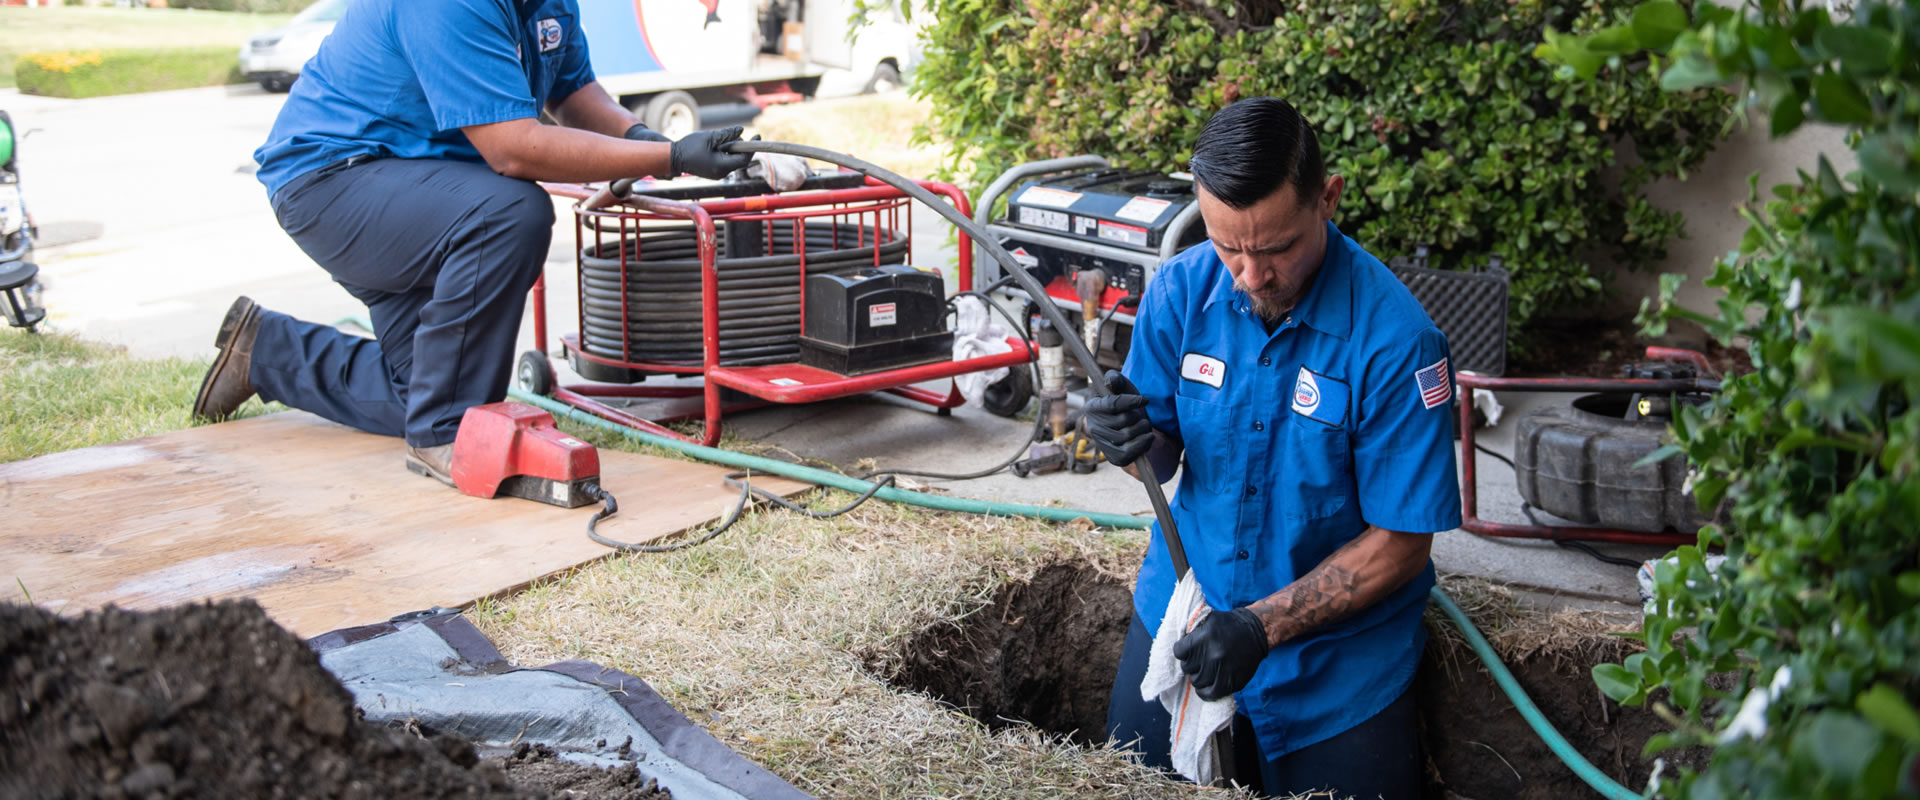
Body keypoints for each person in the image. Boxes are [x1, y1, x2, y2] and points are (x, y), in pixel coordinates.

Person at [192, 0, 753, 485]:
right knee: (512, 212)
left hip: (422, 186)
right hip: (333, 181)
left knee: (428, 388)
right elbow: (515, 150)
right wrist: (672, 157)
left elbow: (575, 93)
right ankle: (444, 441)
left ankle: (265, 351)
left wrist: (648, 142)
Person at [1086, 97, 1461, 799]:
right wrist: (1128, 440)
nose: (1251, 277)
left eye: (1277, 249)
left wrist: (1261, 629)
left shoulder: (1397, 342)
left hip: (1337, 664)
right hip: (1187, 608)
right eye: (1230, 247)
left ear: (1328, 199)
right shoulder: (1178, 291)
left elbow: (1403, 543)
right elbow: (1159, 456)